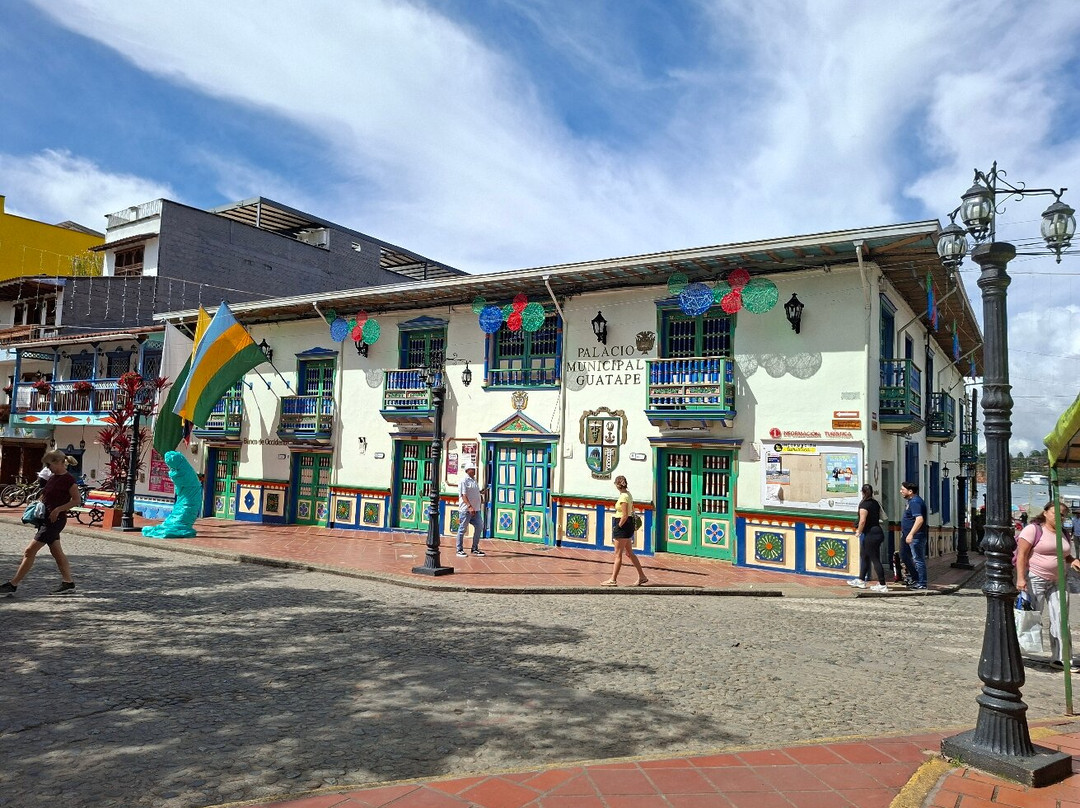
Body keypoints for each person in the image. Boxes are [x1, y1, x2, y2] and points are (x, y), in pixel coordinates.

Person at [0, 451, 82, 598]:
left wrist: (58, 509)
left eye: (49, 464)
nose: (47, 467)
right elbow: (45, 494)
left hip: (54, 521)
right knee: (57, 553)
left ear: (58, 462)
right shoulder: (53, 478)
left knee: (29, 551)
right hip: (46, 519)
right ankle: (68, 583)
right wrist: (37, 503)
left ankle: (13, 584)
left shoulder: (69, 480)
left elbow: (76, 500)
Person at [1015, 500, 1080, 672]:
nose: (1060, 517)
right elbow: (1021, 555)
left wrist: (1072, 560)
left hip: (1059, 580)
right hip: (1035, 578)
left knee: (1061, 618)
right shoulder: (1033, 530)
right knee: (1031, 617)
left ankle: (1061, 658)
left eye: (1063, 514)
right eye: (1056, 513)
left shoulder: (1063, 533)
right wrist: (1021, 579)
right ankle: (1015, 652)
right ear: (1045, 512)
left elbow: (1064, 554)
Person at [601, 475, 647, 587]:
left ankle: (613, 579)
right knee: (629, 553)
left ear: (617, 485)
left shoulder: (623, 497)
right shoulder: (628, 495)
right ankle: (642, 576)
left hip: (623, 526)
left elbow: (625, 515)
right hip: (627, 526)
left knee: (617, 554)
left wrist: (618, 527)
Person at [847, 484, 889, 592]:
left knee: (875, 559)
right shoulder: (875, 503)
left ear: (862, 492)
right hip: (877, 532)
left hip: (871, 534)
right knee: (865, 556)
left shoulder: (864, 505)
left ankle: (882, 584)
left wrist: (858, 532)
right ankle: (861, 580)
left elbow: (862, 521)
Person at [899, 481, 928, 590]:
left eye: (903, 489)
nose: (901, 491)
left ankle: (922, 582)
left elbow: (919, 519)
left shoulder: (915, 502)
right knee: (903, 555)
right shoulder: (911, 501)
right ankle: (915, 577)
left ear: (910, 491)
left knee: (918, 559)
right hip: (907, 535)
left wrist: (911, 534)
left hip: (915, 537)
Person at [454, 460, 485, 558]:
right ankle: (459, 549)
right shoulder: (464, 480)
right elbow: (463, 495)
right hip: (466, 510)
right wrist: (469, 506)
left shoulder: (474, 480)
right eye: (473, 469)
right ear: (468, 470)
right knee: (462, 529)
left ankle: (474, 548)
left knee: (479, 526)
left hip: (476, 510)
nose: (474, 471)